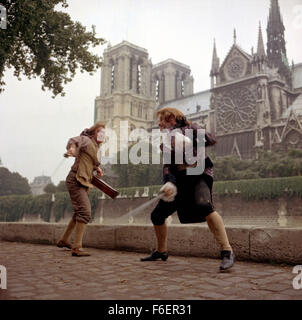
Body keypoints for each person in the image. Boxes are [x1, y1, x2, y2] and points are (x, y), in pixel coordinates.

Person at [141, 108, 235, 271]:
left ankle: (227, 251)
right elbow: (168, 166)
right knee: (157, 215)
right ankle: (161, 251)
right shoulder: (167, 140)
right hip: (180, 179)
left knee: (205, 207)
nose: (159, 123)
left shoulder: (193, 128)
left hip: (198, 174)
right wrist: (169, 183)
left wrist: (190, 140)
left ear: (171, 118)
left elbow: (212, 139)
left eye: (161, 120)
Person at [57, 122, 105, 257]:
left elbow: (88, 159)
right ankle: (77, 247)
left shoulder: (95, 147)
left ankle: (64, 240)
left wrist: (97, 168)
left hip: (83, 181)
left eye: (104, 133)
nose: (102, 135)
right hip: (76, 180)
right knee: (85, 212)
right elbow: (73, 141)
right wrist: (71, 148)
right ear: (93, 133)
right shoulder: (86, 139)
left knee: (78, 212)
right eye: (100, 132)